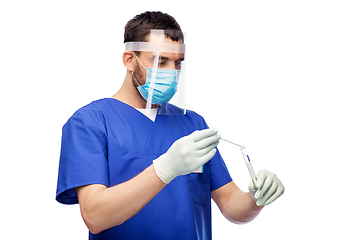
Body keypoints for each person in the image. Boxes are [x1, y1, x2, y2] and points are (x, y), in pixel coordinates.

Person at [56, 11, 284, 240]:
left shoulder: (193, 124)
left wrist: (255, 199)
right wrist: (164, 169)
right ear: (129, 59)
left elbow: (231, 205)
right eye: (160, 61)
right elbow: (95, 217)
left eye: (177, 63)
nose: (171, 72)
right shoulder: (89, 123)